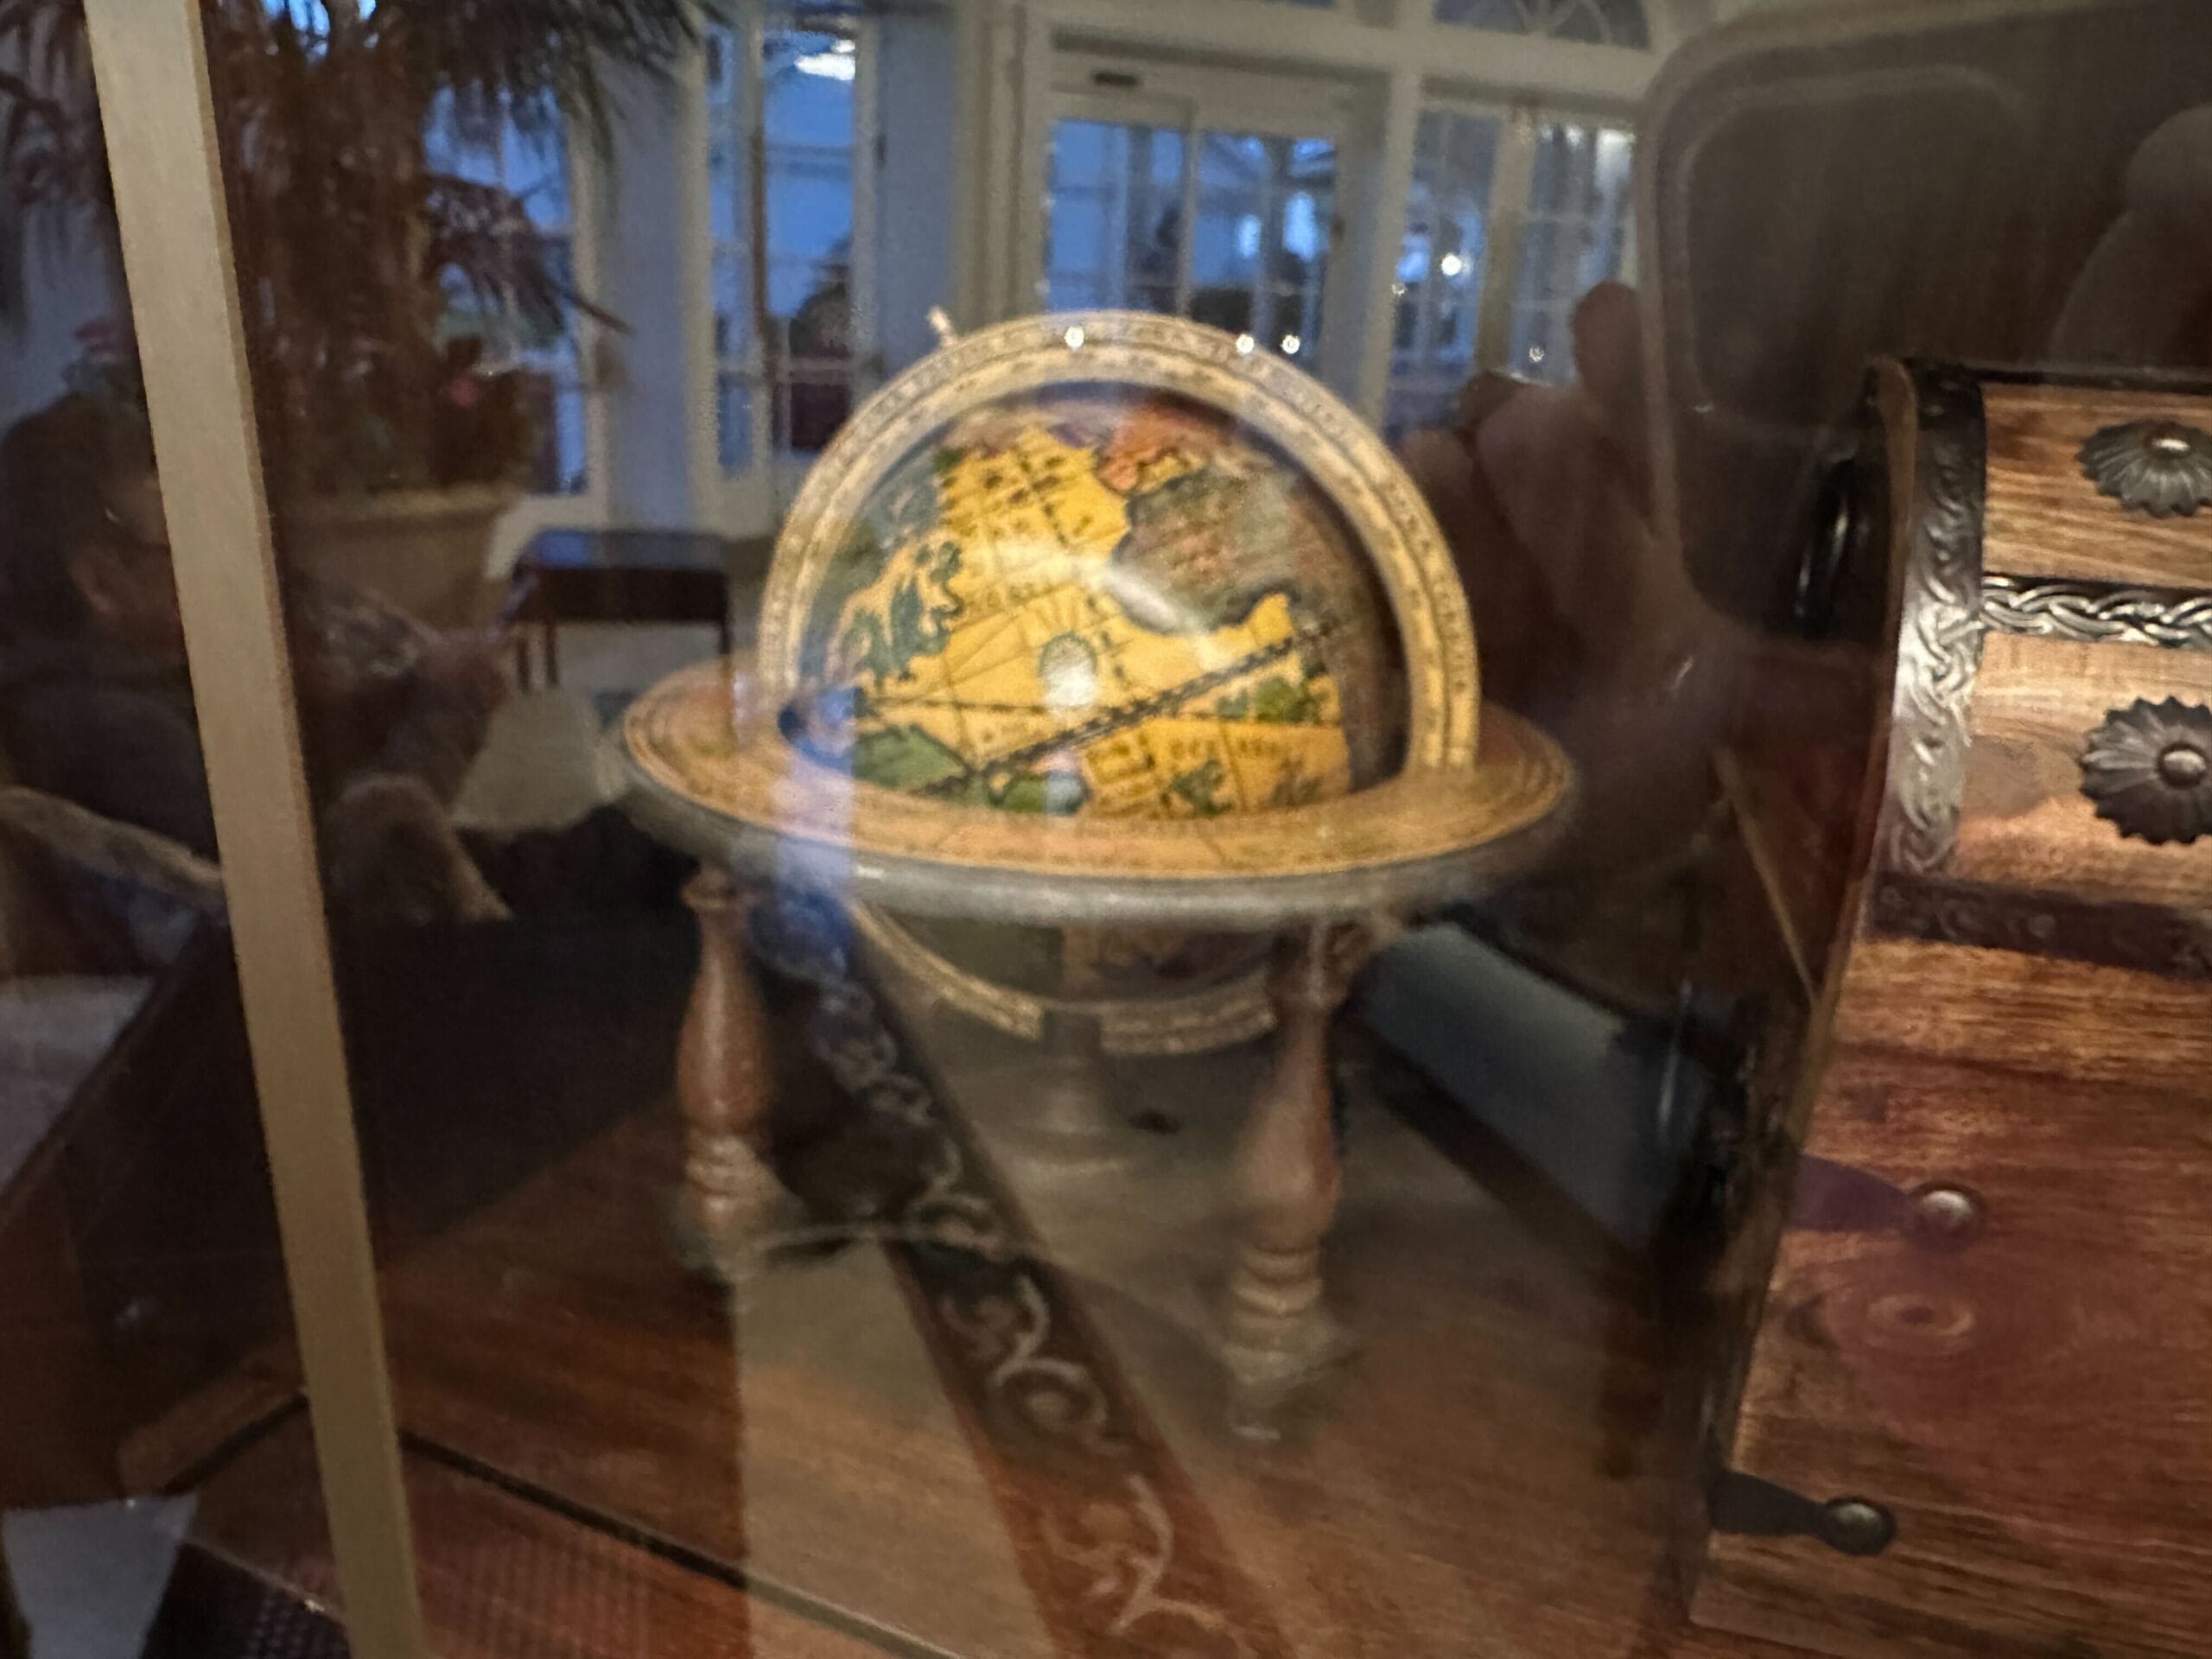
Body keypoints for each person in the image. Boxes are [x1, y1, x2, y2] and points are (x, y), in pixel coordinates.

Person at [0, 392, 683, 938]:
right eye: (181, 539)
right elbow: (367, 869)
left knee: (664, 829)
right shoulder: (117, 735)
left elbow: (315, 761)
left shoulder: (122, 680)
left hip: (456, 883)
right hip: (447, 949)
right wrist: (456, 707)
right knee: (678, 853)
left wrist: (421, 682)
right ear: (100, 583)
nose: (218, 557)